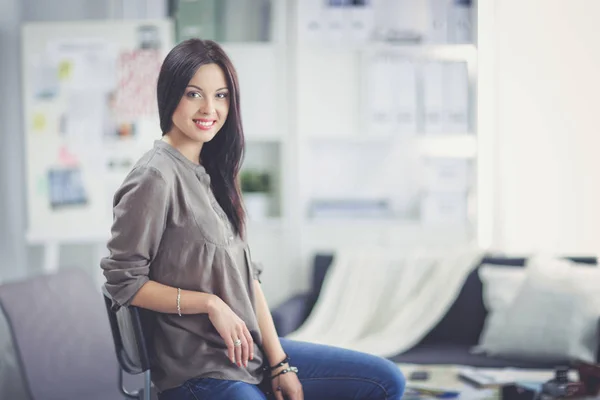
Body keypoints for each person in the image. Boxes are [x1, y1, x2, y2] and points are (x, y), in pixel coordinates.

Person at [100, 38, 405, 400]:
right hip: (199, 372)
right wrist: (210, 304)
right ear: (170, 95)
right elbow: (124, 283)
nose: (209, 108)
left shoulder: (214, 173)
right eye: (194, 94)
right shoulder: (155, 177)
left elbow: (249, 280)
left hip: (251, 357)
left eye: (221, 95)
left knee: (386, 380)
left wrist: (280, 365)